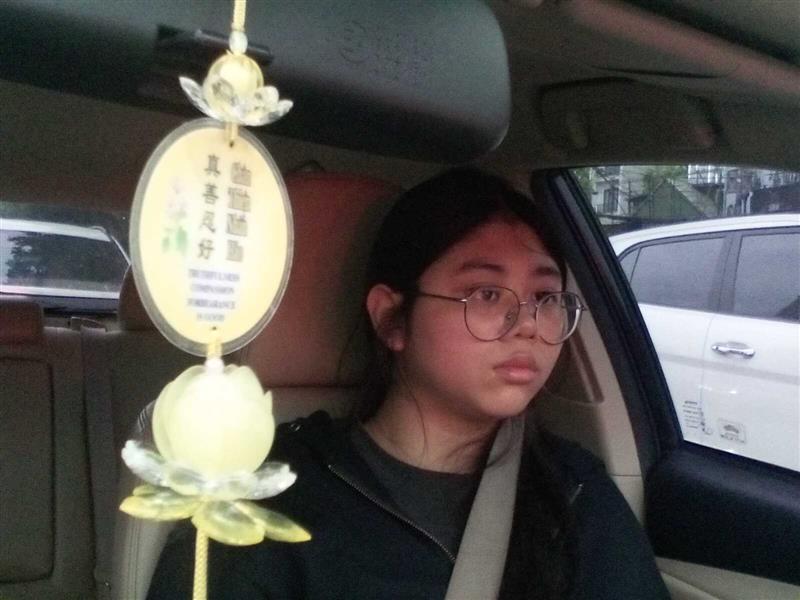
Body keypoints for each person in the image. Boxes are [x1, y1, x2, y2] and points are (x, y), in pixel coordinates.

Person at [147, 169, 670, 599]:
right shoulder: (264, 500)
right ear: (391, 318)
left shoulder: (574, 492)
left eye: (545, 297)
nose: (529, 324)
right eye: (486, 294)